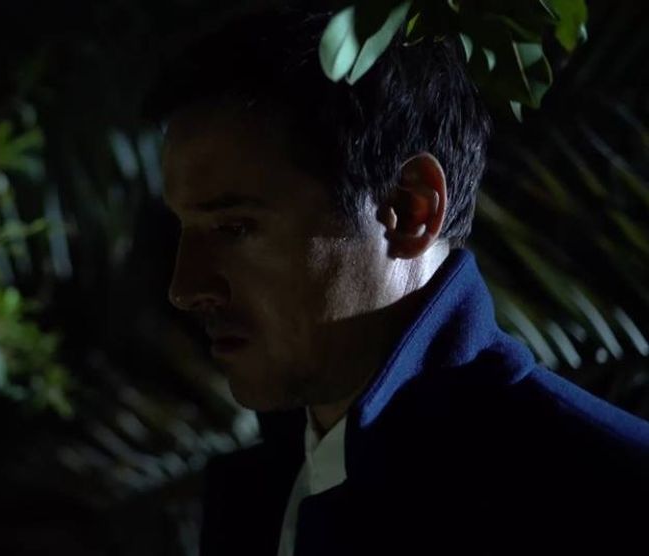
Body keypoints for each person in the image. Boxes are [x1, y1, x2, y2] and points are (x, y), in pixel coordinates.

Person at [144, 6, 649, 555]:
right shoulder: (258, 497)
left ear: (409, 211)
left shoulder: (608, 497)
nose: (185, 287)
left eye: (235, 228)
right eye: (184, 228)